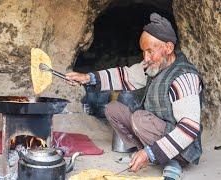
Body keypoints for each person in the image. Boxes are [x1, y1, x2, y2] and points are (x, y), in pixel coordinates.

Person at [66, 13, 203, 180]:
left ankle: (171, 160)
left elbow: (189, 129)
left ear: (168, 48)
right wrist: (87, 78)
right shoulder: (155, 65)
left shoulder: (184, 77)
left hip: (183, 148)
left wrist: (151, 153)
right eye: (143, 52)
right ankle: (147, 153)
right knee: (113, 109)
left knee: (140, 119)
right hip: (154, 131)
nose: (145, 58)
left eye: (150, 51)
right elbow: (126, 76)